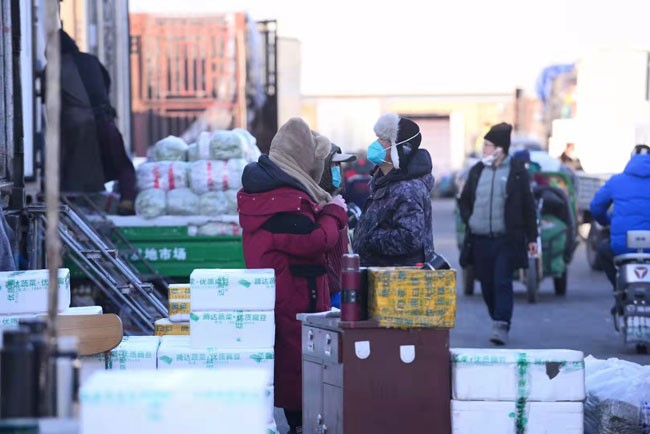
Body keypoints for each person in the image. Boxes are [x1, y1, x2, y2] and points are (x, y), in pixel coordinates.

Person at [237, 118, 348, 434]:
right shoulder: (284, 199)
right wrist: (334, 213)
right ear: (300, 156)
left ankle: (300, 423)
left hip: (286, 291)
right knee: (297, 362)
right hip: (294, 295)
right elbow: (314, 241)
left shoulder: (271, 191)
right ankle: (299, 425)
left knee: (293, 360)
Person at [458, 122, 538, 346]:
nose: (484, 149)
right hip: (480, 239)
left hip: (506, 239)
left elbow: (528, 207)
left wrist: (532, 238)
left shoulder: (517, 172)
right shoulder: (477, 171)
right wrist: (470, 218)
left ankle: (501, 324)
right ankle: (497, 316)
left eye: (487, 145)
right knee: (486, 284)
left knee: (502, 281)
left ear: (500, 149)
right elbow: (463, 201)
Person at [60, 30, 137, 215]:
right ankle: (127, 200)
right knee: (122, 164)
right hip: (105, 121)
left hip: (77, 129)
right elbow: (107, 84)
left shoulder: (56, 67)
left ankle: (81, 212)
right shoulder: (91, 61)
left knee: (75, 175)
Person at [352, 113, 435, 267]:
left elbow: (410, 237)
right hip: (380, 274)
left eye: (383, 140)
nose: (376, 144)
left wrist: (369, 239)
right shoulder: (383, 181)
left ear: (399, 150)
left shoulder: (407, 189)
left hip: (398, 280)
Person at [590, 144, 650, 313]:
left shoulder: (616, 181)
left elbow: (596, 207)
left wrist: (607, 222)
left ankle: (620, 292)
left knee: (603, 250)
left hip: (623, 246)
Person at [318, 144, 357, 308]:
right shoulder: (316, 204)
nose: (337, 170)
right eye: (333, 165)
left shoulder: (336, 200)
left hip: (344, 288)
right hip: (331, 293)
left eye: (339, 166)